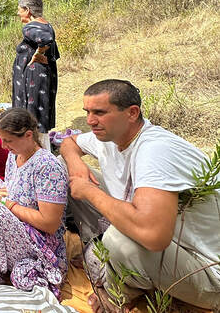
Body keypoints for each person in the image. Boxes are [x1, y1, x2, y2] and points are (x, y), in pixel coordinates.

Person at [60, 79, 220, 312]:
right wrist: (75, 163)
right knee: (63, 169)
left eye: (100, 112)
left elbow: (154, 235)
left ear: (132, 113)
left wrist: (90, 192)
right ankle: (104, 256)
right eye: (88, 112)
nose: (90, 121)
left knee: (118, 239)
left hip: (208, 272)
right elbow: (69, 142)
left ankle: (118, 293)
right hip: (172, 246)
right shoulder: (111, 137)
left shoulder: (154, 151)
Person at [0, 107, 68, 298]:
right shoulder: (14, 154)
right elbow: (14, 188)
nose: (3, 146)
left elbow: (50, 224)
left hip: (39, 239)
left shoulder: (48, 167)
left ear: (29, 135)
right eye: (1, 139)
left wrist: (3, 202)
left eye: (8, 141)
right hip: (16, 214)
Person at [12, 0, 59, 150]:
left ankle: (36, 153)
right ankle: (41, 150)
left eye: (19, 10)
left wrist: (38, 53)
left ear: (27, 10)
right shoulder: (46, 25)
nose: (18, 13)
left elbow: (46, 40)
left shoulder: (30, 27)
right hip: (43, 76)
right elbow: (54, 54)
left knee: (33, 116)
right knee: (40, 113)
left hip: (35, 78)